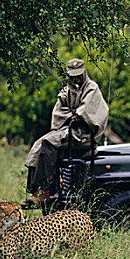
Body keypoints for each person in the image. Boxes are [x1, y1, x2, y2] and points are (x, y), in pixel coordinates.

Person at [25, 58, 109, 205]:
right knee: (39, 145)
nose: (76, 79)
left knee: (49, 144)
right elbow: (58, 112)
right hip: (68, 130)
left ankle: (46, 190)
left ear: (84, 73)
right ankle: (35, 190)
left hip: (83, 135)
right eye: (73, 76)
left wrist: (77, 114)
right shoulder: (67, 90)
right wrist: (73, 114)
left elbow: (87, 113)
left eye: (78, 75)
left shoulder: (92, 88)